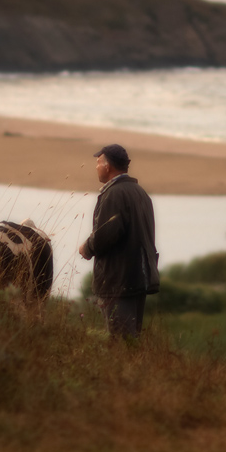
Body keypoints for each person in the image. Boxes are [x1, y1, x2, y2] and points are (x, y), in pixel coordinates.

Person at [79, 144, 159, 339]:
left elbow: (108, 232)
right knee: (131, 340)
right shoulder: (140, 192)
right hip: (139, 277)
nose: (96, 167)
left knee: (120, 342)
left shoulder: (115, 193)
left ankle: (123, 371)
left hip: (118, 280)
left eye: (98, 163)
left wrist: (87, 248)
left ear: (108, 166)